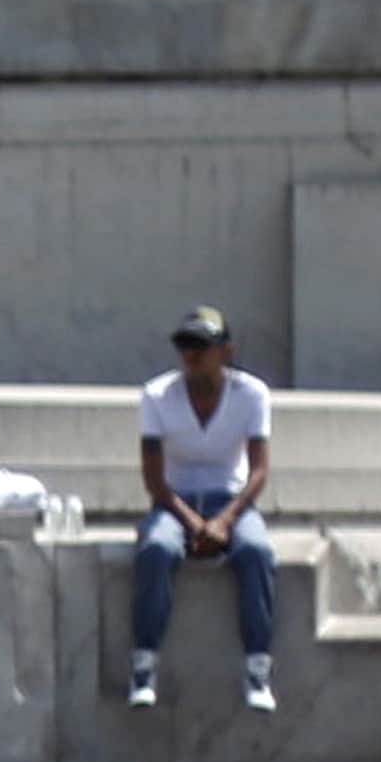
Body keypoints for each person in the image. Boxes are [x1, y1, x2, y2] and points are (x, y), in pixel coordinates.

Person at [131, 304, 280, 714]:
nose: (191, 355)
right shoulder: (157, 395)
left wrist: (225, 520)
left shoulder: (252, 394)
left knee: (256, 552)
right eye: (185, 346)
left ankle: (257, 669)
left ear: (225, 352)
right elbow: (154, 481)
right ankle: (144, 665)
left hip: (229, 500)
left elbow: (260, 470)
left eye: (201, 346)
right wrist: (195, 523)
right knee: (157, 550)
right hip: (174, 501)